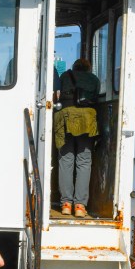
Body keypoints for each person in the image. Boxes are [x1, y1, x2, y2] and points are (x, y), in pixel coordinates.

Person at [53, 57, 100, 218]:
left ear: (74, 67)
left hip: (65, 118)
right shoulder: (94, 79)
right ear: (88, 68)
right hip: (87, 121)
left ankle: (66, 203)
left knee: (66, 160)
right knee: (84, 161)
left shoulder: (66, 76)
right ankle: (80, 205)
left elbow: (56, 95)